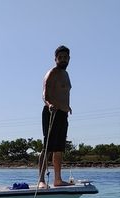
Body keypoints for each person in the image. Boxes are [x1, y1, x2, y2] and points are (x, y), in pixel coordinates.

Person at [38, 45, 73, 188]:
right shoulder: (52, 72)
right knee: (48, 147)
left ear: (69, 59)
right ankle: (41, 180)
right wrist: (50, 104)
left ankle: (58, 180)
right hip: (51, 112)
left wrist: (66, 107)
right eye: (60, 58)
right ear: (55, 59)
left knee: (59, 148)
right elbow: (44, 94)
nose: (63, 60)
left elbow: (63, 93)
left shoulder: (66, 74)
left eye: (65, 57)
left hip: (63, 114)